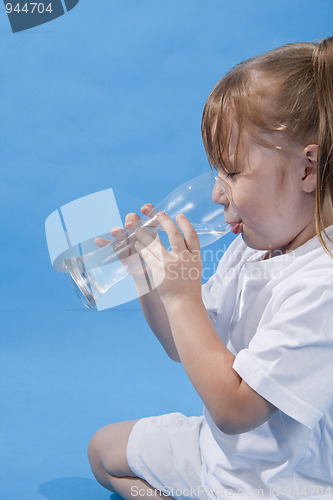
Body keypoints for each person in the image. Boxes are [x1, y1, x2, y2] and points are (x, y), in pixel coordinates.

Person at [87, 36, 333, 500]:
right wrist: (149, 281)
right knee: (102, 450)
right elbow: (185, 348)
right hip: (222, 457)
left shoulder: (323, 284)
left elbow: (234, 409)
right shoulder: (256, 243)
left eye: (233, 173)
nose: (218, 195)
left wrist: (182, 296)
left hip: (287, 484)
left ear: (308, 170)